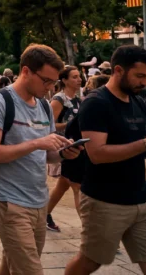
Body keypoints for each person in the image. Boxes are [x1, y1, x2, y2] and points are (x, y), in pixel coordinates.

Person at [65, 45, 146, 275]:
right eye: (139, 76)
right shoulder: (96, 103)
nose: (144, 82)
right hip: (104, 200)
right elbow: (97, 154)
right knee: (89, 262)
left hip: (142, 199)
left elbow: (143, 148)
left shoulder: (138, 101)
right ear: (118, 70)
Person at [0, 45, 79, 275]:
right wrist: (36, 143)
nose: (50, 87)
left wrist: (63, 153)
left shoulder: (44, 105)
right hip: (9, 201)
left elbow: (46, 154)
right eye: (46, 81)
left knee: (11, 265)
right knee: (30, 270)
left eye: (54, 82)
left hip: (39, 200)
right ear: (26, 71)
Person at [46, 65, 83, 232]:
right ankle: (88, 229)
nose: (79, 79)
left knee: (63, 185)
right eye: (74, 77)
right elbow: (50, 125)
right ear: (64, 80)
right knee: (77, 186)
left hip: (74, 147)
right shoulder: (59, 99)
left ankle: (44, 214)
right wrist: (70, 125)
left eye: (79, 76)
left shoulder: (78, 99)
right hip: (62, 147)